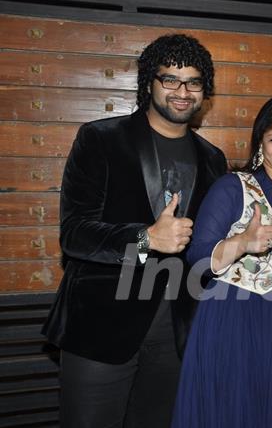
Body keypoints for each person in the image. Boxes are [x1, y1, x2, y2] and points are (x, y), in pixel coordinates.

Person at [42, 34, 228, 427]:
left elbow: (209, 248)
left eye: (193, 82)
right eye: (170, 79)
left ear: (204, 92)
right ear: (149, 82)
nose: (182, 91)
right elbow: (75, 233)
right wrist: (146, 238)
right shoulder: (100, 139)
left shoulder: (213, 160)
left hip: (176, 333)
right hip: (101, 329)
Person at [171, 96, 272, 428]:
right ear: (261, 142)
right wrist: (241, 243)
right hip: (235, 322)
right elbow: (198, 256)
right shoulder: (233, 187)